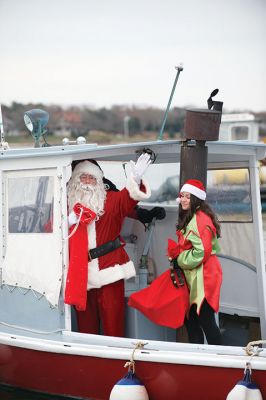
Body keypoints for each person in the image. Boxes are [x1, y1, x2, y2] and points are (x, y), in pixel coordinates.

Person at [64, 153, 153, 337]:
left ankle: (117, 362)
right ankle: (87, 363)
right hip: (81, 273)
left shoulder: (110, 200)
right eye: (83, 177)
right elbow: (49, 231)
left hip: (110, 270)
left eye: (92, 178)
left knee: (114, 326)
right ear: (75, 180)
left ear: (99, 181)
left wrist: (135, 179)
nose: (87, 182)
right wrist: (65, 222)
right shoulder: (66, 205)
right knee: (85, 328)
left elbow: (127, 199)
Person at [168, 179, 222, 345]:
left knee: (205, 320)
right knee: (191, 320)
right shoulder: (194, 216)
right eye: (182, 196)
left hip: (204, 277)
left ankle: (221, 360)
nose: (183, 199)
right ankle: (199, 359)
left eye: (187, 196)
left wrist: (179, 260)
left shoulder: (200, 220)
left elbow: (202, 252)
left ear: (196, 198)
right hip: (196, 276)